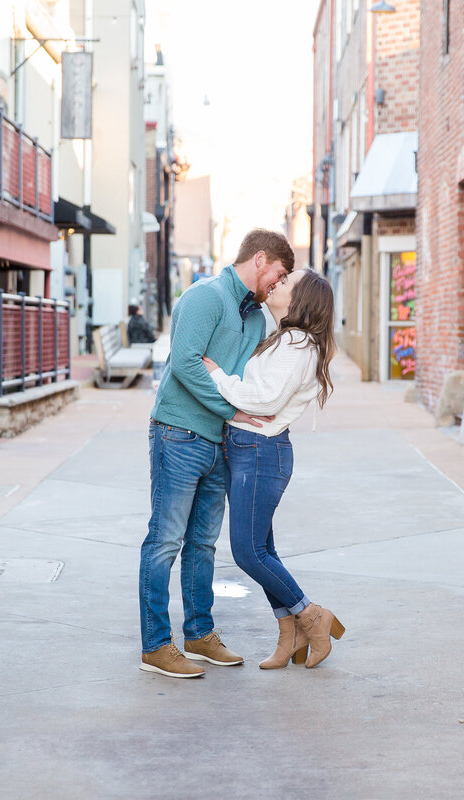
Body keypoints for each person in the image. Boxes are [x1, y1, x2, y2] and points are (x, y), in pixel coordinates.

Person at [138, 229, 294, 679]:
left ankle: (200, 634)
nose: (277, 285)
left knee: (203, 543)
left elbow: (249, 377)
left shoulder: (258, 317)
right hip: (178, 434)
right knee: (165, 540)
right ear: (260, 259)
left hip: (219, 442)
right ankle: (155, 645)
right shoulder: (205, 297)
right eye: (278, 275)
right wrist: (233, 410)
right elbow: (184, 363)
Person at [202, 268, 345, 669]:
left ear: (302, 300)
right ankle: (291, 634)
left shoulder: (298, 344)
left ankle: (312, 615)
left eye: (286, 283)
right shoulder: (285, 337)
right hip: (252, 450)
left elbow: (263, 400)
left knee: (248, 552)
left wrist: (216, 375)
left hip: (262, 452)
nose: (278, 284)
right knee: (264, 549)